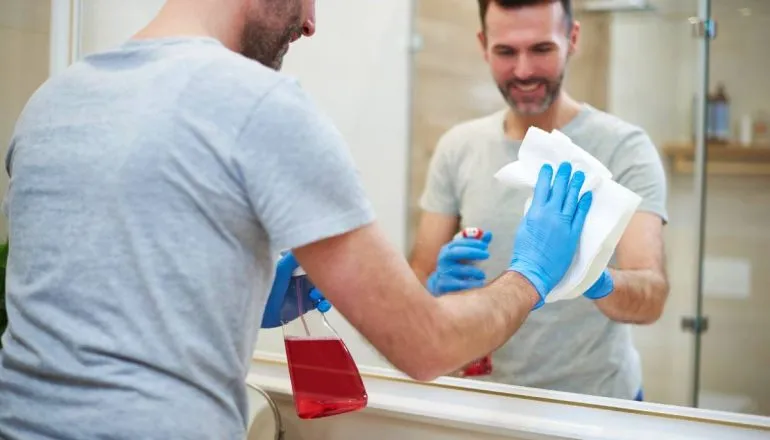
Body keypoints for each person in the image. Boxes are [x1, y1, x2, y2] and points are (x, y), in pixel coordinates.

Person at [0, 0, 603, 439]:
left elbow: (109, 297)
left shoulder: (53, 100)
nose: (311, 22)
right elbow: (427, 347)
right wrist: (531, 273)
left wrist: (245, 287)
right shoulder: (261, 104)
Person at [409, 0, 670, 401]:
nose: (523, 71)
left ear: (572, 38)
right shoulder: (458, 147)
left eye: (541, 49)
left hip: (596, 404)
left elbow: (651, 297)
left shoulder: (624, 147)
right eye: (506, 51)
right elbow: (418, 278)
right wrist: (432, 291)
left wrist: (591, 276)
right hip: (485, 402)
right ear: (483, 45)